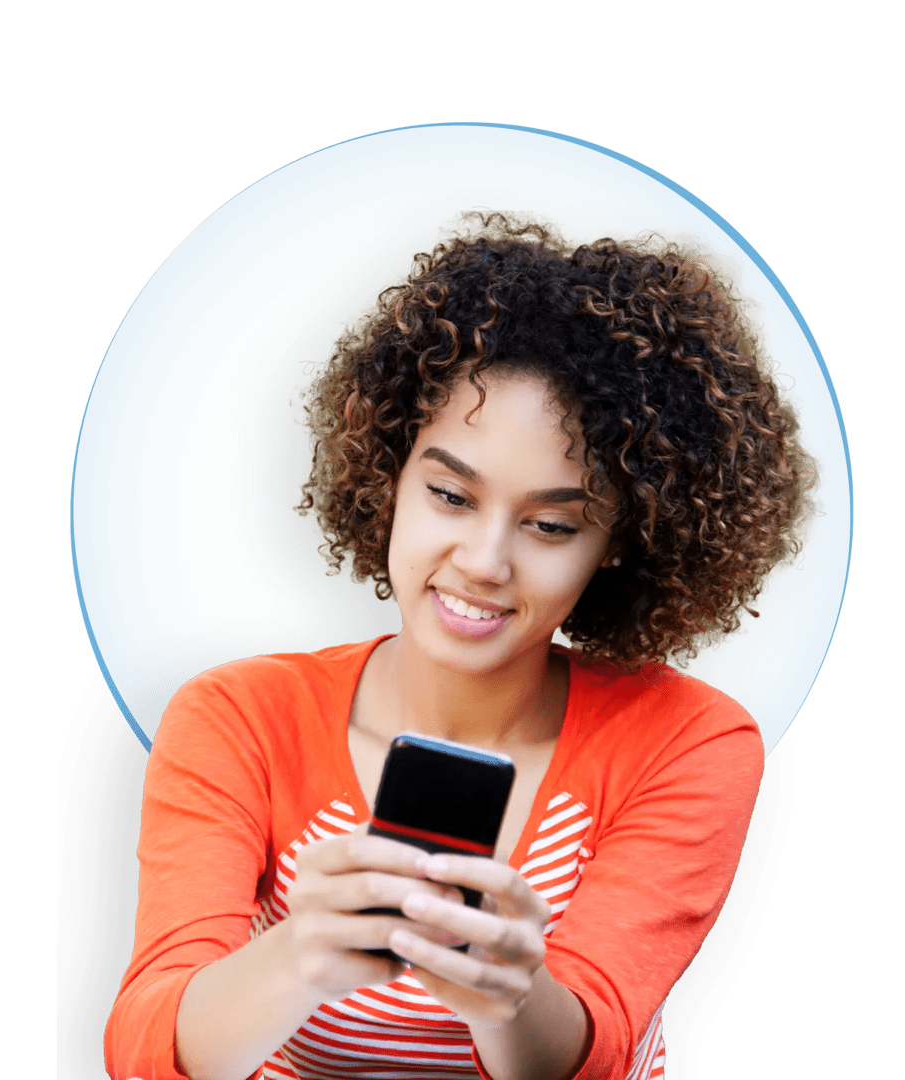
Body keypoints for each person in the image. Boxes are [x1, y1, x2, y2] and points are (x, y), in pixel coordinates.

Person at [103, 211, 820, 1080]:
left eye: (552, 525)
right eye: (450, 495)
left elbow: (593, 1053)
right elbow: (142, 1052)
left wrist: (508, 993)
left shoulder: (690, 743)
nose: (484, 563)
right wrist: (295, 959)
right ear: (389, 474)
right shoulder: (237, 718)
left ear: (622, 543)